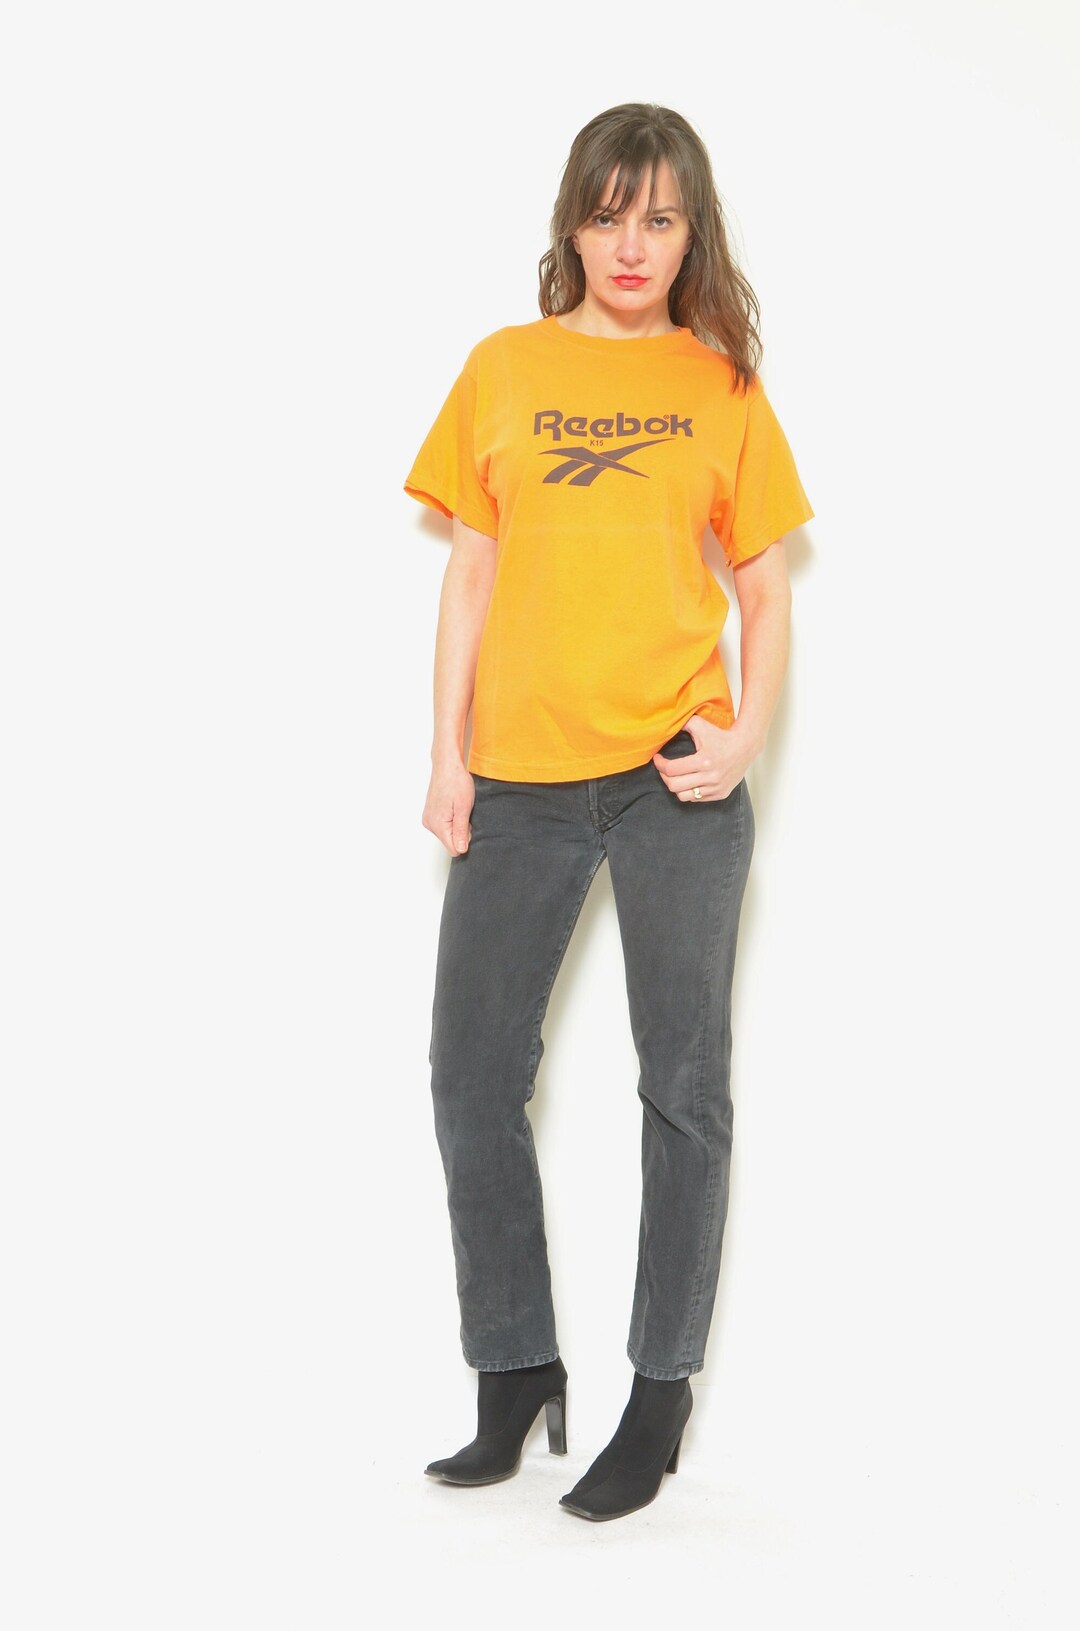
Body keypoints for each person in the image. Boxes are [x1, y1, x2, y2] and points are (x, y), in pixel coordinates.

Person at [402, 102, 814, 1522]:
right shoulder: (503, 367)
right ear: (571, 220)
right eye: (607, 213)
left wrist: (744, 736)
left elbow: (763, 588)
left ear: (692, 236)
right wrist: (446, 756)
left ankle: (659, 1393)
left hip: (670, 776)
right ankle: (516, 1367)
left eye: (661, 219)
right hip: (516, 777)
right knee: (469, 1076)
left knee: (682, 1088)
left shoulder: (722, 381)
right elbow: (469, 573)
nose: (631, 245)